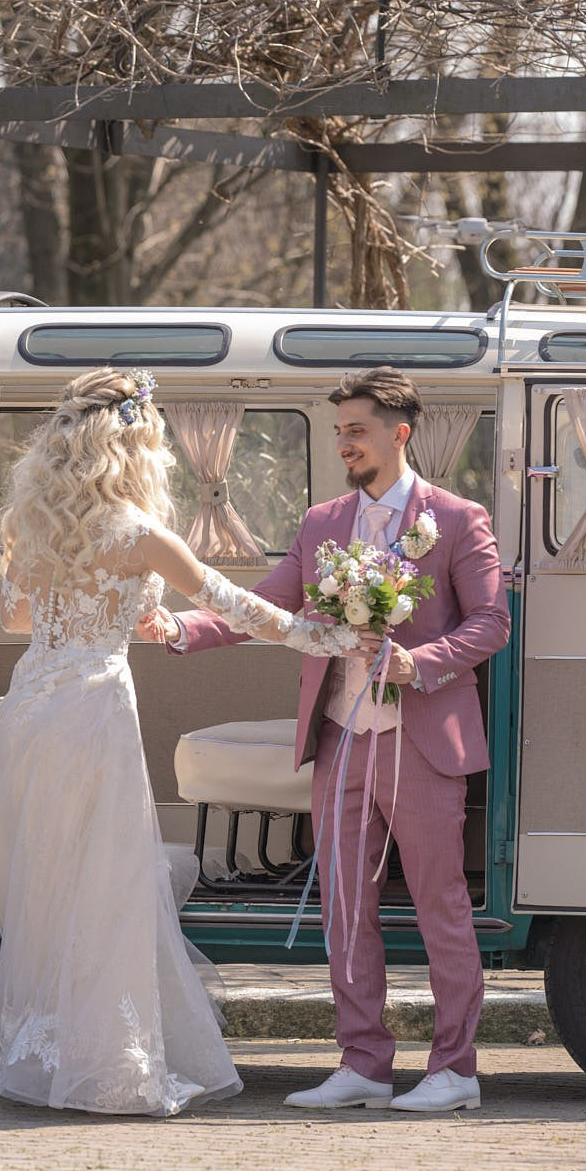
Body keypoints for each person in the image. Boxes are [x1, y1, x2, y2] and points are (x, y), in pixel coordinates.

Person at [0, 367, 358, 1117]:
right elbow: (236, 605)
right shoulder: (140, 535)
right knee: (104, 880)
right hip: (93, 710)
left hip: (31, 705)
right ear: (135, 448)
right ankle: (103, 1062)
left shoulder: (34, 523)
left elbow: (18, 619)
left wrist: (91, 609)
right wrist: (327, 636)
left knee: (46, 875)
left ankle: (43, 1047)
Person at [141, 366, 510, 1113]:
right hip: (341, 736)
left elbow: (490, 623)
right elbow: (263, 607)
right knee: (344, 905)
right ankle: (364, 1063)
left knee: (440, 902)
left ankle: (455, 1069)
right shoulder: (320, 524)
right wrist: (181, 629)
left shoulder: (458, 518)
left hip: (423, 740)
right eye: (339, 429)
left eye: (356, 429)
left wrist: (419, 661)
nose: (343, 441)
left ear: (398, 432)